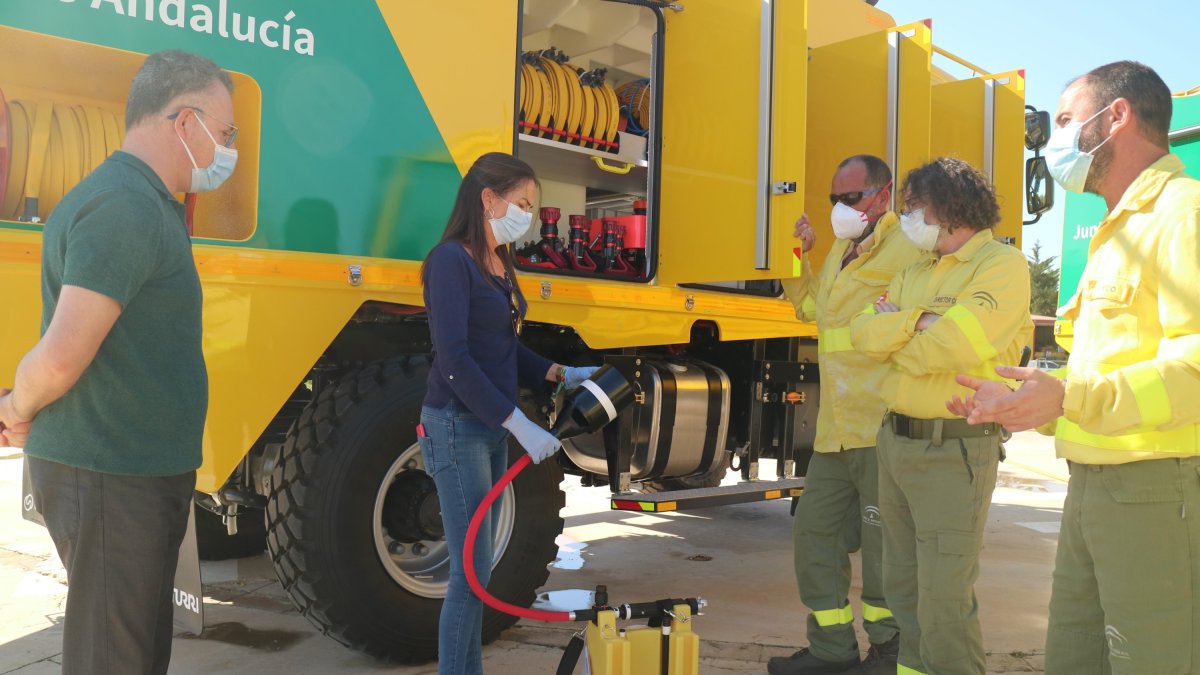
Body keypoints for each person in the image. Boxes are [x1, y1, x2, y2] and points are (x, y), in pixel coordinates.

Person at [954, 61, 1200, 674]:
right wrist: (1031, 404)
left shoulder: (1184, 213)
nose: (1056, 139)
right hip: (1093, 482)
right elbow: (1105, 370)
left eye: (1065, 120)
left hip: (1158, 488)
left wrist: (1068, 399)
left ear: (1116, 117)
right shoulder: (1114, 230)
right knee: (1074, 657)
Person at [0, 50, 238, 674]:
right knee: (113, 658)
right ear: (185, 124)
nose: (228, 148)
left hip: (131, 470)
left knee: (133, 650)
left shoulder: (144, 202)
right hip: (110, 473)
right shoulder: (125, 207)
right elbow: (60, 356)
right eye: (225, 131)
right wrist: (17, 409)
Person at [849, 157, 1032, 675]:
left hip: (953, 450)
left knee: (944, 601)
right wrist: (921, 324)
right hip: (896, 443)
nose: (906, 218)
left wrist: (899, 332)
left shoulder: (1000, 264)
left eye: (914, 208)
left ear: (950, 208)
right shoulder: (915, 270)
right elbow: (864, 336)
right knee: (903, 589)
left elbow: (950, 347)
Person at [419, 151, 596, 675]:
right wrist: (517, 423)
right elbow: (453, 360)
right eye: (520, 203)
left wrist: (563, 374)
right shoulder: (450, 261)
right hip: (457, 427)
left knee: (479, 571)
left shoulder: (497, 263)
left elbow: (504, 348)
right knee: (469, 574)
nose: (527, 214)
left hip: (487, 428)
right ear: (488, 199)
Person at [770, 155, 923, 675]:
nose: (840, 208)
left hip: (880, 422)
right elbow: (810, 311)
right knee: (815, 536)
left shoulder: (908, 248)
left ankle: (889, 649)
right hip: (836, 429)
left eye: (851, 197)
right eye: (835, 199)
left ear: (883, 196)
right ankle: (832, 648)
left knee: (883, 550)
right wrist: (799, 256)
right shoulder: (839, 248)